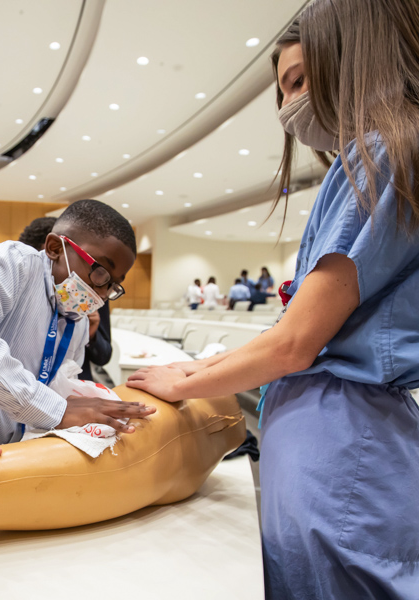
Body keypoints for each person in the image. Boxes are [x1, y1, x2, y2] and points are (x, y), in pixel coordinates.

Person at [127, 3, 419, 597]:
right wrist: (197, 366)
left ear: (350, 59)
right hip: (336, 441)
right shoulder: (368, 162)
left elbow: (293, 342)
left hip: (341, 444)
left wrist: (182, 382)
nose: (291, 105)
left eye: (298, 82)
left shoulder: (380, 155)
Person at [0, 199, 155, 444]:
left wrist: (74, 403)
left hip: (16, 452)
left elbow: (59, 386)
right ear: (54, 247)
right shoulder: (19, 264)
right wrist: (53, 408)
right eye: (100, 273)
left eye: (113, 284)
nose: (104, 294)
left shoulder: (79, 317)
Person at [17, 216, 114, 383]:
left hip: (73, 387)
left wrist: (92, 335)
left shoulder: (92, 292)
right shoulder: (19, 288)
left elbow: (104, 356)